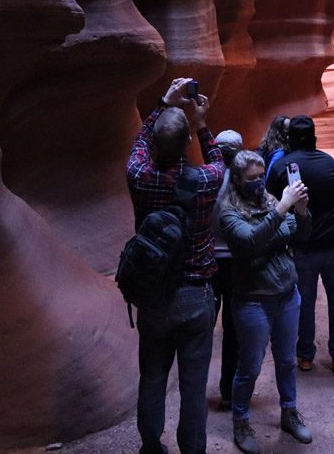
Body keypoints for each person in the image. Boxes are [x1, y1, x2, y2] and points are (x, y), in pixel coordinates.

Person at [125, 77, 225, 454]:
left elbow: (137, 145)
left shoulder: (139, 177)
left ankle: (151, 447)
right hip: (195, 296)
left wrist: (161, 105)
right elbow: (218, 161)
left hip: (152, 297)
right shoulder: (203, 182)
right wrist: (201, 124)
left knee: (151, 379)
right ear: (186, 143)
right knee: (193, 387)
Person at [220, 151, 314, 453]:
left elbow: (300, 234)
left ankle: (289, 412)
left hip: (287, 294)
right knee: (249, 367)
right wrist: (283, 211)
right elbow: (249, 243)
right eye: (252, 178)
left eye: (261, 176)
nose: (259, 182)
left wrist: (300, 211)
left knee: (287, 361)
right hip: (253, 302)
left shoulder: (271, 201)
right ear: (237, 179)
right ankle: (241, 421)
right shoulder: (228, 212)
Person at [266, 115, 334, 373]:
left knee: (304, 301)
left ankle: (305, 356)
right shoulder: (328, 162)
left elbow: (271, 197)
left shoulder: (283, 166)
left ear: (289, 138)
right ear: (315, 136)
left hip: (303, 245)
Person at [209, 129, 244, 410]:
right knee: (233, 329)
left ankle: (195, 390)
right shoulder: (247, 183)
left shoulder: (205, 180)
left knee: (204, 326)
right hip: (236, 262)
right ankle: (229, 390)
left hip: (208, 261)